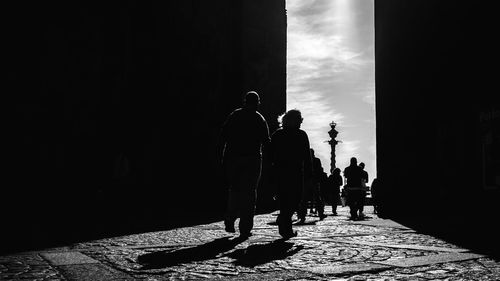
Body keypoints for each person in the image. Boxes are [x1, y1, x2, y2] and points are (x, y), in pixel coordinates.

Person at [219, 91, 270, 238]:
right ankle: (245, 228)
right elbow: (266, 141)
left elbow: (223, 136)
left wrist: (222, 157)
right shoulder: (259, 119)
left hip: (233, 158)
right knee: (249, 193)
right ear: (258, 102)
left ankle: (230, 216)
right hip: (252, 159)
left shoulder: (234, 116)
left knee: (235, 190)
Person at [269, 109, 312, 239]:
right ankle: (286, 228)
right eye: (299, 120)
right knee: (289, 199)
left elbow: (306, 156)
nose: (301, 122)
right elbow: (307, 157)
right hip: (288, 172)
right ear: (292, 120)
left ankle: (284, 221)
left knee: (292, 200)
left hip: (288, 172)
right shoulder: (292, 135)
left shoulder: (282, 134)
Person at [298, 149, 326, 221]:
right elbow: (319, 170)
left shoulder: (304, 160)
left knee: (305, 199)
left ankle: (302, 215)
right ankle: (320, 213)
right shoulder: (316, 160)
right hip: (314, 181)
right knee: (317, 198)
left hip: (307, 180)